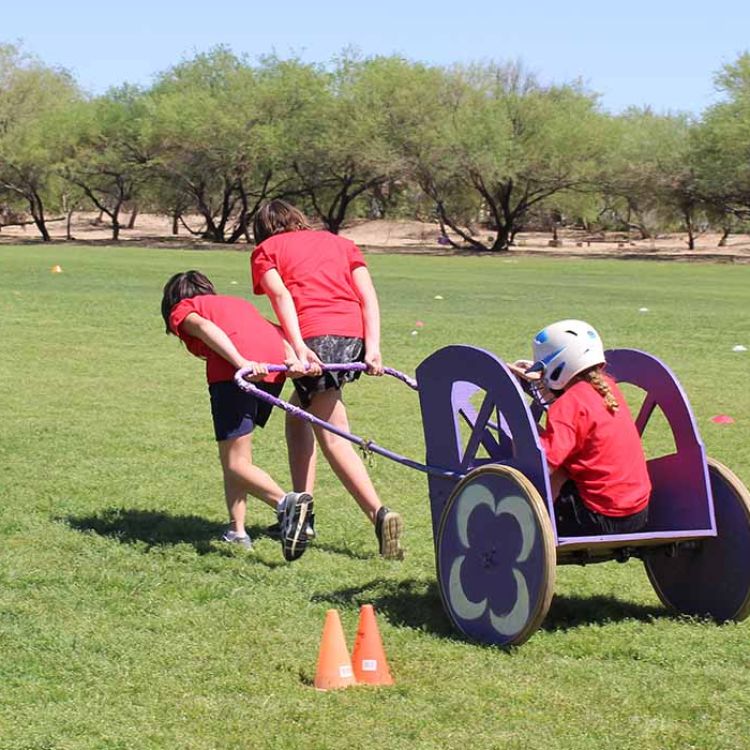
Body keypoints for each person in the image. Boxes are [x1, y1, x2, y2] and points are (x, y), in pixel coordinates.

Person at [250, 199, 404, 560]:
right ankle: (302, 514)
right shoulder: (341, 243)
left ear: (263, 230)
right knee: (297, 417)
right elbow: (367, 296)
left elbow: (281, 295)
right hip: (352, 337)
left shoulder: (266, 250)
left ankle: (379, 515)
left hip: (317, 338)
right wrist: (372, 348)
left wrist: (299, 347)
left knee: (334, 436)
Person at [161, 270, 313, 561]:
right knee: (237, 460)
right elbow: (274, 330)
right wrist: (293, 360)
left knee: (234, 463)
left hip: (237, 373)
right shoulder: (235, 304)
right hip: (271, 370)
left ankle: (287, 505)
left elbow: (204, 327)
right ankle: (237, 531)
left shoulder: (184, 308)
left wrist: (241, 362)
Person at [511, 319, 651, 536]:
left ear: (556, 367)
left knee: (538, 451)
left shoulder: (568, 405)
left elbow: (543, 466)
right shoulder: (608, 388)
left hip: (598, 518)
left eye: (543, 369)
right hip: (638, 513)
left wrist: (520, 441)